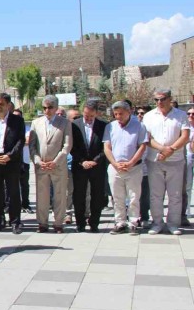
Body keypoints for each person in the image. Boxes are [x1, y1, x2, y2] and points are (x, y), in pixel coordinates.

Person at [143, 89, 191, 235]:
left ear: (170, 99)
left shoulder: (180, 115)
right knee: (156, 194)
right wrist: (163, 149)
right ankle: (157, 222)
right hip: (155, 159)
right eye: (156, 100)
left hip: (176, 160)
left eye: (162, 99)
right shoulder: (149, 116)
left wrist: (171, 150)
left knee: (175, 194)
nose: (159, 102)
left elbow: (185, 136)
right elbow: (147, 138)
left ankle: (173, 224)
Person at [30, 94, 73, 233]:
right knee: (41, 195)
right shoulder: (36, 123)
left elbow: (67, 146)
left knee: (60, 195)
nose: (47, 110)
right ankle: (42, 223)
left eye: (50, 108)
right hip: (41, 165)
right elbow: (32, 145)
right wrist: (37, 160)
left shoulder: (65, 123)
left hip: (58, 165)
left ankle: (58, 223)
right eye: (44, 108)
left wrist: (56, 161)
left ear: (56, 108)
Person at [103, 101, 147, 235]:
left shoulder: (139, 126)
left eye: (121, 114)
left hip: (133, 168)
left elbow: (142, 146)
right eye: (115, 114)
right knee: (117, 197)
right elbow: (107, 147)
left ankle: (133, 222)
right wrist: (115, 163)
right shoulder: (110, 127)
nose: (118, 117)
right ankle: (120, 222)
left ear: (129, 112)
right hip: (115, 167)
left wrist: (131, 162)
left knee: (133, 197)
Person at [0, 93, 25, 234]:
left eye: (1, 104)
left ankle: (15, 222)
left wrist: (9, 156)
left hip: (11, 161)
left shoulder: (17, 120)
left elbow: (20, 141)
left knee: (13, 192)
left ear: (8, 105)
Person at [69, 100, 107, 233]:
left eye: (91, 116)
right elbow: (71, 147)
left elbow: (106, 148)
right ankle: (80, 223)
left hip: (97, 167)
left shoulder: (104, 126)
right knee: (79, 195)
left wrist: (95, 161)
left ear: (96, 113)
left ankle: (94, 222)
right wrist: (82, 161)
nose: (88, 118)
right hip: (80, 166)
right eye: (86, 115)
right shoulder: (74, 125)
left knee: (97, 195)